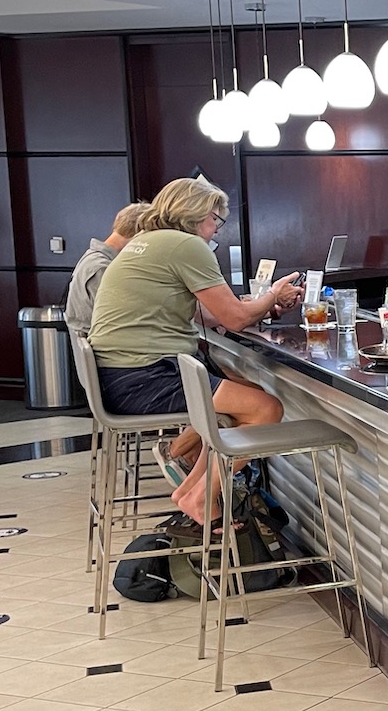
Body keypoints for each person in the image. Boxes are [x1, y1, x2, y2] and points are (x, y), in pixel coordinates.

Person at [87, 177, 303, 525]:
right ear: (196, 214)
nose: (216, 230)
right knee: (266, 408)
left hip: (121, 374)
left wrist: (264, 306)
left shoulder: (145, 241)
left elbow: (204, 312)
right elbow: (232, 318)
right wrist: (271, 297)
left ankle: (190, 489)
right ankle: (199, 497)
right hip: (143, 377)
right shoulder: (185, 245)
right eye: (216, 220)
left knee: (248, 395)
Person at [65, 202, 151, 338]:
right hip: (108, 351)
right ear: (140, 234)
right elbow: (120, 321)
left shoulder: (92, 258)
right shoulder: (102, 268)